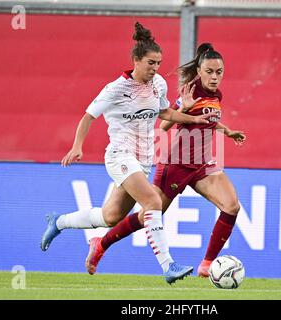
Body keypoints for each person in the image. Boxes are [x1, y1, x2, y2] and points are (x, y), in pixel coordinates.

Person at [40, 22, 216, 284]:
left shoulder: (158, 85)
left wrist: (193, 120)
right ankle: (168, 266)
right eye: (150, 63)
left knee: (110, 217)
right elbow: (88, 116)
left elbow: (164, 113)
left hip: (143, 160)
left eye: (158, 63)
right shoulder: (115, 89)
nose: (155, 68)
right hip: (120, 155)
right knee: (153, 202)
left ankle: (60, 222)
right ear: (136, 60)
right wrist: (77, 146)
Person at [83, 43, 246, 278]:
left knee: (231, 206)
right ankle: (101, 243)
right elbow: (165, 123)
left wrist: (227, 131)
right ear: (199, 71)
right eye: (209, 72)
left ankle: (207, 264)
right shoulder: (190, 91)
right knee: (147, 215)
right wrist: (185, 107)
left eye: (219, 72)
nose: (214, 77)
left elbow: (208, 119)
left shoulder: (216, 94)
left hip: (203, 164)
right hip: (177, 164)